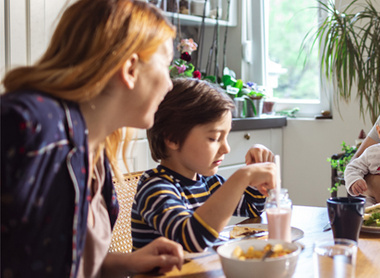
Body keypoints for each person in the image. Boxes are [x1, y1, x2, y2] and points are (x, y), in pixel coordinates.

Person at [1, 1, 184, 277]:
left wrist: (127, 262)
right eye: (166, 65)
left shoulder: (97, 149)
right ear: (131, 68)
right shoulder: (25, 125)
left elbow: (64, 264)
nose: (170, 84)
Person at [131, 78, 277, 253]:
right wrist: (242, 176)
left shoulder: (210, 183)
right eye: (214, 138)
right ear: (172, 138)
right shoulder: (155, 188)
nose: (226, 148)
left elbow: (252, 208)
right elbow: (191, 239)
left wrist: (255, 169)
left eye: (226, 137)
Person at [345, 116, 380, 205]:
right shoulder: (372, 152)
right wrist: (355, 180)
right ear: (379, 131)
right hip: (372, 206)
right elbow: (353, 167)